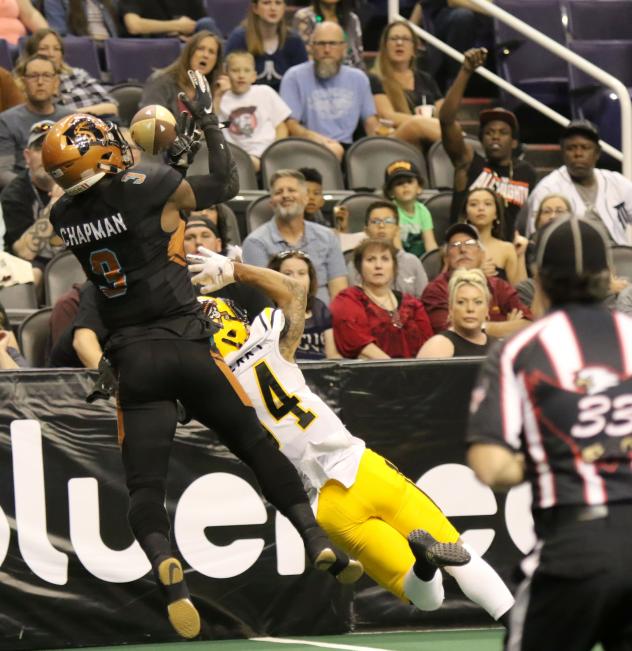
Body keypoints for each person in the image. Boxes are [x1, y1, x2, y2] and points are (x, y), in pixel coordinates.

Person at [42, 70, 361, 639]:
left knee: (144, 488)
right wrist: (208, 125)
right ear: (96, 155)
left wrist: (165, 165)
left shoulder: (65, 215)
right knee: (255, 446)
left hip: (134, 361)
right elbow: (224, 186)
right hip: (189, 347)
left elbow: (135, 207)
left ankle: (172, 580)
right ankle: (313, 537)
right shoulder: (154, 181)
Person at [187, 246, 515, 626]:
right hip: (362, 467)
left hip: (326, 504)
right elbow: (294, 289)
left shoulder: (212, 384)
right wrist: (234, 269)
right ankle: (522, 629)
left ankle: (424, 566)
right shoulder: (269, 341)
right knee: (463, 553)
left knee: (425, 598)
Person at [467, 215, 632, 651]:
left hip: (576, 546)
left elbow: (490, 467)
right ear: (608, 279)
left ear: (539, 277)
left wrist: (555, 454)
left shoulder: (520, 350)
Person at [439, 48, 537, 238]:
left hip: (508, 256)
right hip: (465, 251)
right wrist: (466, 71)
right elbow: (446, 120)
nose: (495, 136)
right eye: (489, 133)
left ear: (514, 142)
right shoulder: (468, 163)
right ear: (481, 140)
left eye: (503, 132)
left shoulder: (527, 173)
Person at [242, 169, 348, 303]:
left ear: (305, 199)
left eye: (291, 190)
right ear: (271, 202)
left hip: (327, 320)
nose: (285, 195)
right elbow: (263, 297)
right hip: (281, 320)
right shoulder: (255, 242)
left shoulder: (327, 237)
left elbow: (339, 290)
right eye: (278, 192)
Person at [280, 21, 379, 161]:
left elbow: (370, 122)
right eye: (321, 44)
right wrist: (320, 140)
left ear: (344, 47)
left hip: (349, 150)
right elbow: (291, 125)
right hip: (307, 147)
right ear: (311, 47)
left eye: (333, 44)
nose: (327, 50)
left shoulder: (359, 78)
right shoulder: (294, 76)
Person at [525, 119, 632, 245]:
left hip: (619, 259)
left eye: (585, 147)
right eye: (571, 148)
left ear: (597, 153)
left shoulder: (617, 183)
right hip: (569, 260)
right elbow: (535, 239)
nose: (578, 153)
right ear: (563, 153)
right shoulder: (547, 189)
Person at [421, 222, 532, 335]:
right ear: (446, 258)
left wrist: (477, 327)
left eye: (470, 243)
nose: (463, 249)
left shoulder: (498, 286)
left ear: (482, 255)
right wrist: (506, 327)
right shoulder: (436, 290)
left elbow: (529, 325)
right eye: (454, 245)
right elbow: (449, 332)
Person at [331, 238, 432, 359]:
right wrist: (396, 371)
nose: (378, 266)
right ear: (359, 267)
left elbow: (428, 345)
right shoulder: (348, 300)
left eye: (385, 259)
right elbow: (359, 344)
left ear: (394, 266)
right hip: (371, 374)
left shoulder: (413, 304)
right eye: (370, 259)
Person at [1, 119, 65, 290]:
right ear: (27, 156)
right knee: (32, 275)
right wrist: (55, 203)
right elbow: (24, 252)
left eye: (53, 147)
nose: (46, 154)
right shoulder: (14, 194)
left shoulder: (78, 180)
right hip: (36, 262)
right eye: (39, 148)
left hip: (75, 255)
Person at [0, 54, 71, 187]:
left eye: (46, 75)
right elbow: (3, 172)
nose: (40, 82)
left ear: (56, 82)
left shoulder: (71, 119)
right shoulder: (5, 121)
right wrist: (37, 187)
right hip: (23, 194)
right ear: (23, 82)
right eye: (33, 76)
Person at [370, 20, 443, 148]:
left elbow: (443, 114)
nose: (399, 43)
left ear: (414, 48)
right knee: (415, 125)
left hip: (430, 138)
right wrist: (424, 123)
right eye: (394, 39)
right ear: (385, 47)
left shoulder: (426, 79)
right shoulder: (375, 78)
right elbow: (387, 116)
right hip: (395, 138)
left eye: (405, 39)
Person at [215, 50, 291, 173]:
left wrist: (274, 152)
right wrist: (218, 96)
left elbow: (281, 127)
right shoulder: (220, 97)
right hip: (234, 156)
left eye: (246, 70)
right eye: (235, 70)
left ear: (254, 76)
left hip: (265, 153)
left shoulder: (265, 92)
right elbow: (210, 126)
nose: (241, 75)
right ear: (226, 74)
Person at [22, 28, 118, 117]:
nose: (51, 54)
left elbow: (112, 107)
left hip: (102, 122)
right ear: (32, 54)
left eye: (56, 49)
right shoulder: (29, 84)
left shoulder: (78, 74)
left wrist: (72, 115)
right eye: (43, 48)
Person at [347, 199, 429, 297]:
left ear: (397, 229)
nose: (381, 225)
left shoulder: (412, 261)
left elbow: (425, 299)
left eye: (388, 221)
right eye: (375, 221)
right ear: (366, 230)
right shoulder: (356, 264)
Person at [268, 250, 339, 360]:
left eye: (302, 273)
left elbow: (332, 355)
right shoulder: (267, 309)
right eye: (287, 273)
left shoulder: (319, 307)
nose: (295, 279)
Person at [225, 0, 307, 92]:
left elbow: (303, 81)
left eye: (278, 3)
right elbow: (226, 78)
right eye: (267, 3)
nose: (273, 8)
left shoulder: (294, 41)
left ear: (284, 8)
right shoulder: (239, 39)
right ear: (255, 8)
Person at [141, 30, 223, 120]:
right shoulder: (161, 81)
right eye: (200, 49)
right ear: (189, 52)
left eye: (211, 52)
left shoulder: (211, 91)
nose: (205, 55)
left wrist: (217, 99)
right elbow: (150, 123)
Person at [461, 187, 527, 286]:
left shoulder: (507, 249)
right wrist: (475, 274)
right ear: (466, 214)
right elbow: (443, 287)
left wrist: (521, 256)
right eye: (474, 204)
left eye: (487, 204)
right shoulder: (456, 247)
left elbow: (521, 293)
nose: (481, 208)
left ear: (496, 214)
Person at [418, 268, 490, 357]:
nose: (470, 309)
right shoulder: (438, 346)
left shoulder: (498, 347)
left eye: (478, 302)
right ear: (450, 309)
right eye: (461, 302)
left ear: (487, 309)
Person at [382, 159, 438, 257]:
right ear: (390, 192)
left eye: (409, 181)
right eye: (399, 183)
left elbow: (430, 245)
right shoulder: (390, 212)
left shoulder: (423, 211)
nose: (405, 185)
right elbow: (397, 248)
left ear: (419, 188)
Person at [292, 0, 364, 70]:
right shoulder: (304, 17)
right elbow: (304, 59)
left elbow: (358, 59)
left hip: (350, 76)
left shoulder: (352, 19)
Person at [118, 0, 220, 39]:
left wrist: (192, 40)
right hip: (154, 44)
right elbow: (134, 26)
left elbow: (201, 25)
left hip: (186, 44)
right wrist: (177, 25)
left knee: (207, 23)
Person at [43, 0, 120, 38]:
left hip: (112, 48)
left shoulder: (110, 1)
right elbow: (60, 34)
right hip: (82, 49)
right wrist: (89, 41)